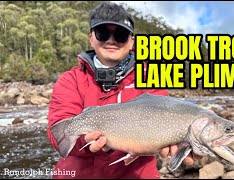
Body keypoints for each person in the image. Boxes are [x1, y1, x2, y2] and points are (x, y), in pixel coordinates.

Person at [47, 2, 201, 179]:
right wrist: (86, 141)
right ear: (91, 38)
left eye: (120, 35)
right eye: (103, 33)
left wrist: (180, 145)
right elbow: (58, 136)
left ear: (131, 42)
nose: (111, 40)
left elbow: (167, 119)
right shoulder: (70, 80)